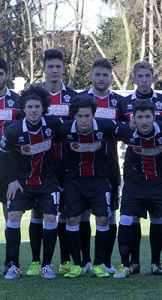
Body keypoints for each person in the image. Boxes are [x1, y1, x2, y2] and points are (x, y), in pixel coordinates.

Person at [26, 49, 79, 277]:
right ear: (43, 68)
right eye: (51, 67)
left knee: (65, 211)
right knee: (38, 213)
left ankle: (65, 261)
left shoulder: (74, 97)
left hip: (66, 163)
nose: (55, 71)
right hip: (40, 164)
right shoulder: (33, 96)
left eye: (59, 66)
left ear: (64, 68)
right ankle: (36, 261)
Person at [113, 99, 162, 279]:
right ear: (133, 119)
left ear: (154, 117)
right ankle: (125, 265)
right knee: (125, 219)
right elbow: (105, 127)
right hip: (136, 182)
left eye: (147, 117)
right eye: (140, 117)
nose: (144, 121)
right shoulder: (124, 130)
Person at [0, 84, 61, 279]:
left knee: (51, 218)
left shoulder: (54, 124)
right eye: (30, 107)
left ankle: (47, 266)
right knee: (14, 216)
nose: (34, 110)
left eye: (37, 106)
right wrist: (12, 181)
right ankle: (12, 266)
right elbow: (2, 155)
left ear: (43, 107)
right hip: (22, 183)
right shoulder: (12, 130)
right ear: (23, 109)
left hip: (47, 181)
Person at [118, 61, 162, 275]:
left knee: (158, 217)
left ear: (153, 78)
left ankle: (156, 262)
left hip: (160, 166)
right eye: (139, 76)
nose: (143, 80)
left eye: (147, 76)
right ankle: (134, 261)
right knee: (133, 216)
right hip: (134, 167)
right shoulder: (124, 102)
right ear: (134, 79)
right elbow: (116, 128)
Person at [58, 94, 118, 278]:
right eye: (79, 116)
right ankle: (78, 264)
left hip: (99, 179)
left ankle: (99, 264)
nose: (84, 120)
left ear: (94, 115)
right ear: (73, 116)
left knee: (102, 219)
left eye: (87, 116)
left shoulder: (107, 127)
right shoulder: (63, 129)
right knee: (72, 219)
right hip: (73, 180)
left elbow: (127, 130)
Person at [78, 58, 124, 273]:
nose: (101, 78)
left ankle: (105, 260)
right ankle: (85, 260)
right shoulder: (80, 100)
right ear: (91, 75)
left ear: (111, 77)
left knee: (110, 213)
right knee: (84, 213)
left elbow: (128, 129)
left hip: (110, 166)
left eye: (105, 74)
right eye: (98, 74)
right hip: (83, 166)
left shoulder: (119, 102)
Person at [0, 58, 20, 224]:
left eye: (0, 74)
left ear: (7, 75)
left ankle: (9, 247)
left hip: (7, 161)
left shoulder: (17, 101)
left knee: (8, 207)